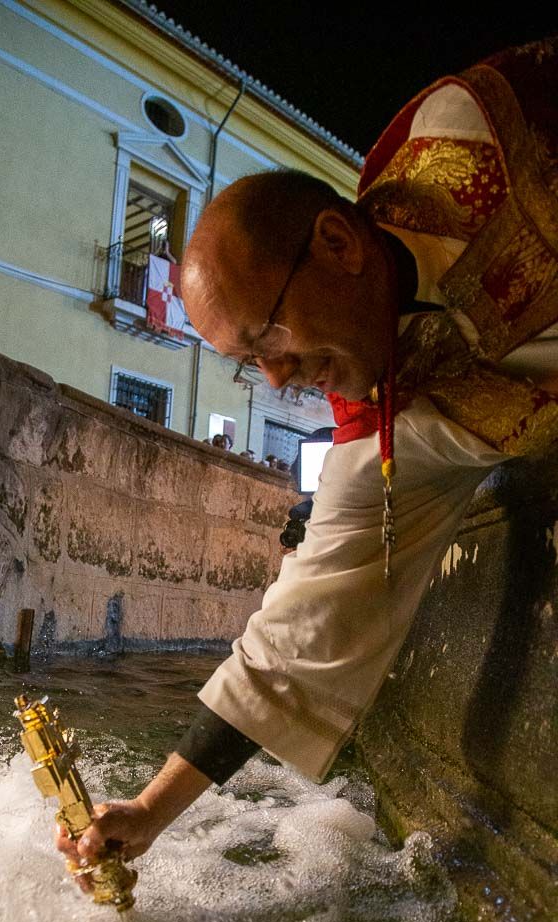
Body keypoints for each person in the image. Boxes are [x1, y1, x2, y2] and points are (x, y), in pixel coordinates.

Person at [58, 36, 558, 879]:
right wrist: (148, 811)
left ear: (337, 242)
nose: (282, 379)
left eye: (272, 338)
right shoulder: (385, 428)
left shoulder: (476, 138)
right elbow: (297, 635)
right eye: (250, 364)